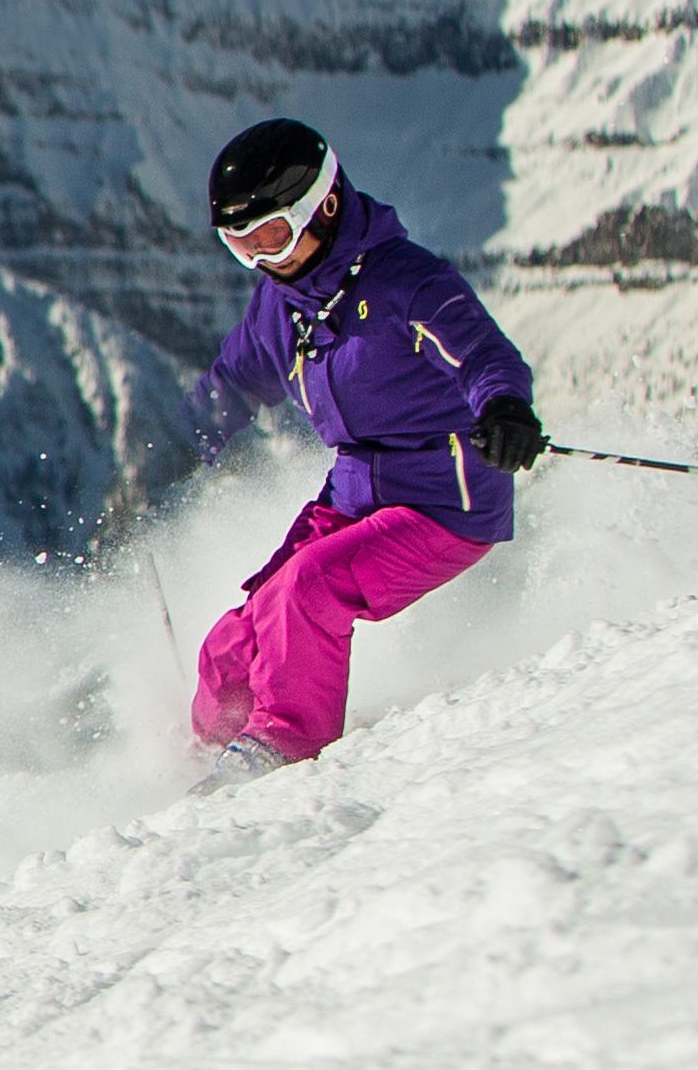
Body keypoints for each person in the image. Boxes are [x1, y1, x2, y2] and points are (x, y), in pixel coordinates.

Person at [178, 117, 541, 780]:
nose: (262, 258)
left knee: (309, 589)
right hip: (354, 493)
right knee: (236, 639)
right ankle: (201, 757)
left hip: (444, 500)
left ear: (326, 205)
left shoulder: (409, 283)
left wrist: (505, 409)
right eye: (241, 244)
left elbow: (487, 357)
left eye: (272, 236)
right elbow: (235, 378)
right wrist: (182, 436)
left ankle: (282, 747)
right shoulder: (280, 304)